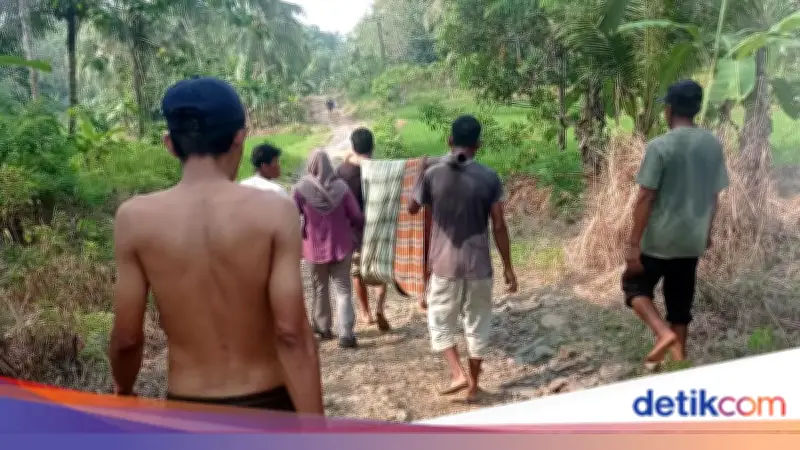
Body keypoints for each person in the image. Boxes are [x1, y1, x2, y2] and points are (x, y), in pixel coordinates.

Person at [108, 77, 324, 415]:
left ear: (169, 143)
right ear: (240, 135)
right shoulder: (273, 211)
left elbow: (126, 338)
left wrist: (124, 390)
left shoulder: (134, 219)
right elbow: (291, 333)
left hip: (189, 411)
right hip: (268, 406)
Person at [408, 115, 518, 403]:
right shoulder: (489, 177)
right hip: (478, 264)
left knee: (440, 320)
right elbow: (499, 224)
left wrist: (421, 169)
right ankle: (473, 386)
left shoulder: (433, 174)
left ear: (449, 140)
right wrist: (508, 266)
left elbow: (411, 208)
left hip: (444, 264)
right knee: (478, 323)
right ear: (478, 145)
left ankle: (457, 372)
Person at [622, 79, 728, 367]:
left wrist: (633, 245)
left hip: (659, 239)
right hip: (691, 240)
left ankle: (663, 334)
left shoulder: (660, 146)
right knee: (680, 307)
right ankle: (679, 366)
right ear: (694, 109)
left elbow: (645, 196)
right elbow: (714, 196)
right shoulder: (712, 144)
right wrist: (706, 232)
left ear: (669, 109)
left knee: (634, 287)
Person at [293, 149, 364, 349]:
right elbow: (357, 216)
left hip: (313, 250)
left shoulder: (300, 189)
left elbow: (290, 215)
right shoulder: (342, 188)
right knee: (343, 291)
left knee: (320, 289)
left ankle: (324, 328)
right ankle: (346, 334)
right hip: (341, 246)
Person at [336, 128, 390, 332]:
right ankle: (379, 308)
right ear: (372, 146)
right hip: (378, 228)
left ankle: (366, 313)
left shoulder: (343, 171)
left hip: (353, 231)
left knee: (357, 273)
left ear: (353, 146)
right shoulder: (381, 169)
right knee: (380, 271)